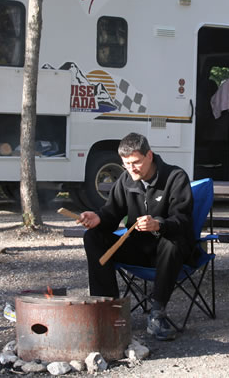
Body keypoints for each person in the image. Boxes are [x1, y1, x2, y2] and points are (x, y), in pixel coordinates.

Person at [78, 133, 194, 341]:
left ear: (149, 155)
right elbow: (111, 214)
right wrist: (98, 218)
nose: (131, 169)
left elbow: (183, 221)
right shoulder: (126, 180)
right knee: (93, 237)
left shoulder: (176, 177)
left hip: (171, 251)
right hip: (138, 248)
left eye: (135, 162)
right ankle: (107, 309)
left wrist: (159, 224)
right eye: (126, 164)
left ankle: (157, 313)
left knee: (171, 242)